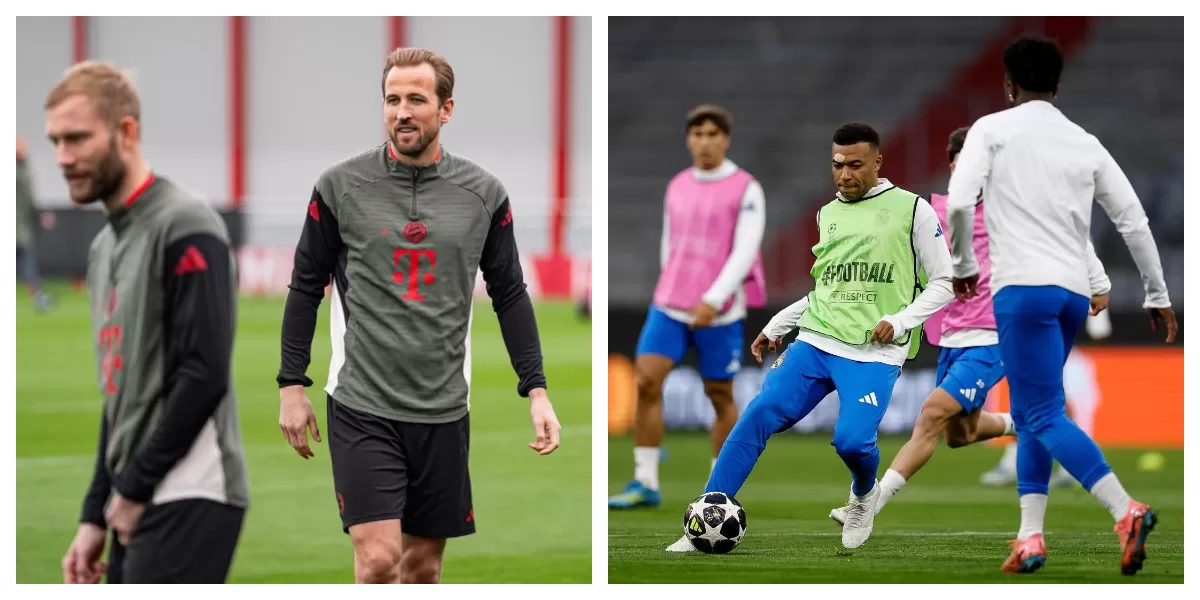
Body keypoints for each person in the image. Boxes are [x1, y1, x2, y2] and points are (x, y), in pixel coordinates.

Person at [275, 47, 561, 584]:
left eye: (415, 99)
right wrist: (292, 384)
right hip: (362, 402)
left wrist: (537, 390)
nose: (401, 112)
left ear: (446, 109)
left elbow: (510, 294)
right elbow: (305, 286)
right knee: (378, 561)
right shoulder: (339, 186)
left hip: (443, 408)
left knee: (423, 568)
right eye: (392, 100)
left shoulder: (484, 193)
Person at [946, 35, 1176, 575]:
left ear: (1009, 84)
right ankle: (1030, 537)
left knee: (1042, 413)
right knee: (1034, 411)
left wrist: (962, 265)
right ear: (1057, 85)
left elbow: (958, 201)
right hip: (1073, 294)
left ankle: (1125, 510)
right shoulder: (1084, 141)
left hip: (1022, 291)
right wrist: (1157, 293)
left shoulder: (990, 130)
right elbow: (1133, 220)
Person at [668, 122, 954, 551]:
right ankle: (702, 523)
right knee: (758, 414)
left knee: (852, 442)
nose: (845, 174)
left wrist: (900, 321)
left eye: (855, 165)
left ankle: (863, 496)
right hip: (817, 341)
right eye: (838, 165)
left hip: (874, 352)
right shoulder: (828, 214)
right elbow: (827, 290)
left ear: (878, 162)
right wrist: (779, 323)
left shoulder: (914, 210)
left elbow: (945, 281)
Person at [828, 126, 1112, 526]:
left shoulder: (1014, 206)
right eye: (962, 166)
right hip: (952, 334)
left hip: (996, 333)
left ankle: (867, 505)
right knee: (958, 434)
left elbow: (1071, 229)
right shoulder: (934, 211)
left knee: (931, 414)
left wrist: (1097, 281)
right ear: (951, 167)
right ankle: (1025, 424)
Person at [51, 61, 249, 584]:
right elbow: (121, 397)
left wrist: (134, 488)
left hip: (191, 488)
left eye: (77, 138)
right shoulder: (104, 246)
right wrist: (95, 512)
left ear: (126, 132)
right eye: (56, 141)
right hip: (134, 494)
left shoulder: (186, 224)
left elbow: (204, 372)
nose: (63, 157)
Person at [609, 104, 767, 510]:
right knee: (646, 381)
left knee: (719, 394)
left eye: (713, 134)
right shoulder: (677, 184)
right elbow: (670, 241)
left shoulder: (746, 188)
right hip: (670, 305)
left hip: (720, 310)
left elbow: (745, 250)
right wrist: (671, 282)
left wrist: (714, 298)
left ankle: (719, 489)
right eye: (697, 134)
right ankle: (645, 482)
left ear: (725, 139)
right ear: (688, 139)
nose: (704, 141)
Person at [16, 135, 55, 311]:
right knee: (27, 261)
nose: (22, 149)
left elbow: (30, 200)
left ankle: (38, 297)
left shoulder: (24, 169)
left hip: (22, 228)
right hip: (17, 229)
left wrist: (41, 216)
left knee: (28, 263)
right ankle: (38, 297)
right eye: (19, 146)